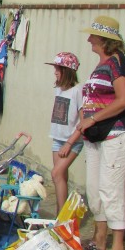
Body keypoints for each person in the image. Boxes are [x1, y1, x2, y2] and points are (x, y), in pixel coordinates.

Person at [75, 16, 125, 250]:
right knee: (95, 189)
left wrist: (93, 119)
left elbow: (124, 100)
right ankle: (99, 239)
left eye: (92, 35)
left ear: (104, 39)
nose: (88, 38)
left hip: (118, 133)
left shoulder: (118, 63)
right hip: (96, 138)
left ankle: (118, 247)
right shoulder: (100, 65)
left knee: (112, 190)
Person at [46, 52, 84, 214]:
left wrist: (69, 143)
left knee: (56, 173)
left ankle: (61, 218)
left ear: (67, 71)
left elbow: (84, 121)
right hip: (58, 139)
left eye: (58, 69)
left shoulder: (78, 91)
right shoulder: (59, 90)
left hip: (73, 141)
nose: (55, 72)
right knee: (59, 178)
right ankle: (60, 214)